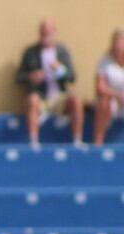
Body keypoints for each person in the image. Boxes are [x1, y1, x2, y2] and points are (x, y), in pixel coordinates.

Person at [18, 19, 84, 148]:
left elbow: (72, 77)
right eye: (43, 33)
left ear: (54, 33)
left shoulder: (62, 52)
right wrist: (31, 77)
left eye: (48, 33)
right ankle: (33, 141)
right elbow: (19, 76)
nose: (45, 37)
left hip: (58, 97)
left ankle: (77, 140)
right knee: (32, 99)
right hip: (40, 96)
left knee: (76, 100)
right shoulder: (31, 52)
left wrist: (60, 69)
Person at [92, 28, 124, 147]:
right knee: (103, 102)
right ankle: (98, 142)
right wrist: (117, 95)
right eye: (115, 44)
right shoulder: (105, 62)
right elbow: (100, 87)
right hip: (114, 102)